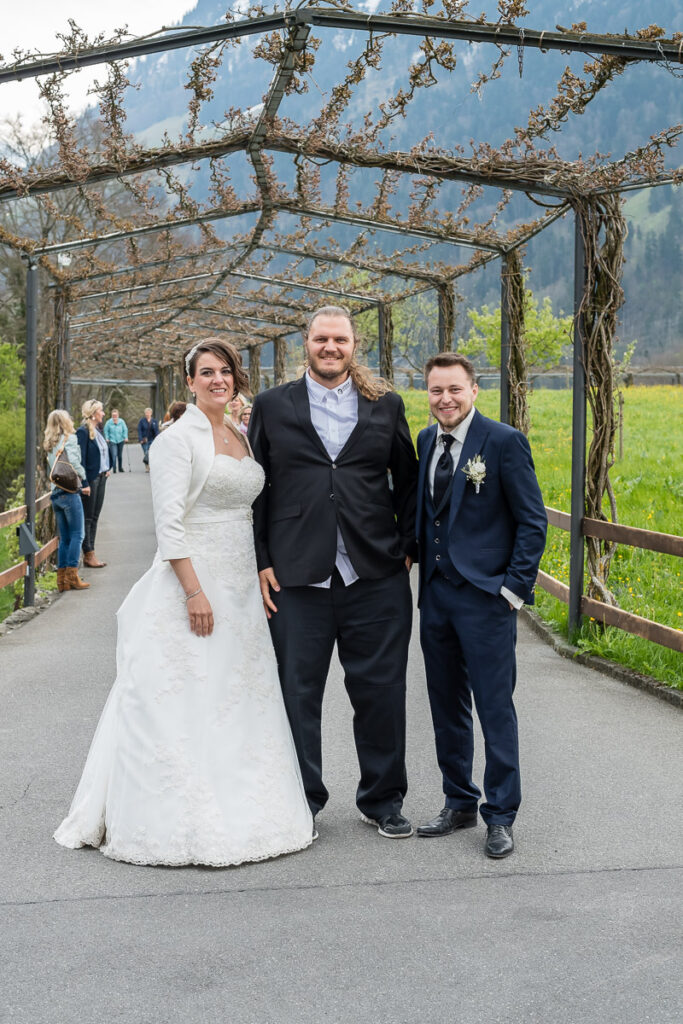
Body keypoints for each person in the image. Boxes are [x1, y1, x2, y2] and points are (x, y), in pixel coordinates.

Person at [54, 338, 313, 865]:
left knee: (239, 694)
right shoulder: (177, 439)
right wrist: (194, 592)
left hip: (242, 583)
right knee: (191, 694)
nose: (219, 380)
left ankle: (251, 804)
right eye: (207, 372)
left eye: (226, 372)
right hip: (196, 582)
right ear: (189, 381)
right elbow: (169, 524)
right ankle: (186, 817)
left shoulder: (239, 432)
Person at [249, 305, 418, 839]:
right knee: (298, 694)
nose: (330, 347)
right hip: (298, 577)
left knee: (382, 692)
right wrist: (260, 561)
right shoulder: (272, 406)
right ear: (307, 343)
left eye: (339, 339)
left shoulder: (384, 405)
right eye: (321, 339)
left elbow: (409, 482)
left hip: (375, 574)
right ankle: (303, 801)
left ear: (353, 344)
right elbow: (255, 489)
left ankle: (383, 799)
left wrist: (407, 547)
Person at [415, 353, 547, 859]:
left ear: (473, 390)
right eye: (435, 391)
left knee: (495, 707)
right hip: (437, 597)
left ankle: (500, 814)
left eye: (453, 389)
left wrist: (513, 589)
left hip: (487, 599)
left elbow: (532, 522)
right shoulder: (426, 440)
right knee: (446, 704)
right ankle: (458, 800)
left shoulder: (503, 441)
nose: (444, 399)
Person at [43, 409, 91, 592]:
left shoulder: (49, 443)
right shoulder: (69, 439)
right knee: (78, 534)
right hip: (69, 492)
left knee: (65, 538)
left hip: (55, 493)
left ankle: (61, 580)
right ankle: (73, 576)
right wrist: (84, 479)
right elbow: (74, 463)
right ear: (65, 422)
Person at [77, 399, 111, 569]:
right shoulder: (83, 432)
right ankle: (88, 553)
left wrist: (107, 467)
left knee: (95, 516)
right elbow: (81, 459)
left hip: (102, 476)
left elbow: (103, 451)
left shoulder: (98, 430)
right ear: (93, 414)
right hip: (91, 479)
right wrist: (84, 483)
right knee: (88, 517)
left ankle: (91, 552)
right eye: (101, 411)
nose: (103, 414)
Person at [103, 409, 128, 473]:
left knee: (119, 455)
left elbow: (125, 429)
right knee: (114, 454)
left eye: (116, 415)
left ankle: (120, 468)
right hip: (112, 440)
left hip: (120, 440)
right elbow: (106, 430)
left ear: (118, 415)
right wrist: (107, 438)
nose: (114, 416)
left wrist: (125, 437)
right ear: (111, 415)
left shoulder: (121, 421)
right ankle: (114, 468)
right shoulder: (108, 422)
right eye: (113, 415)